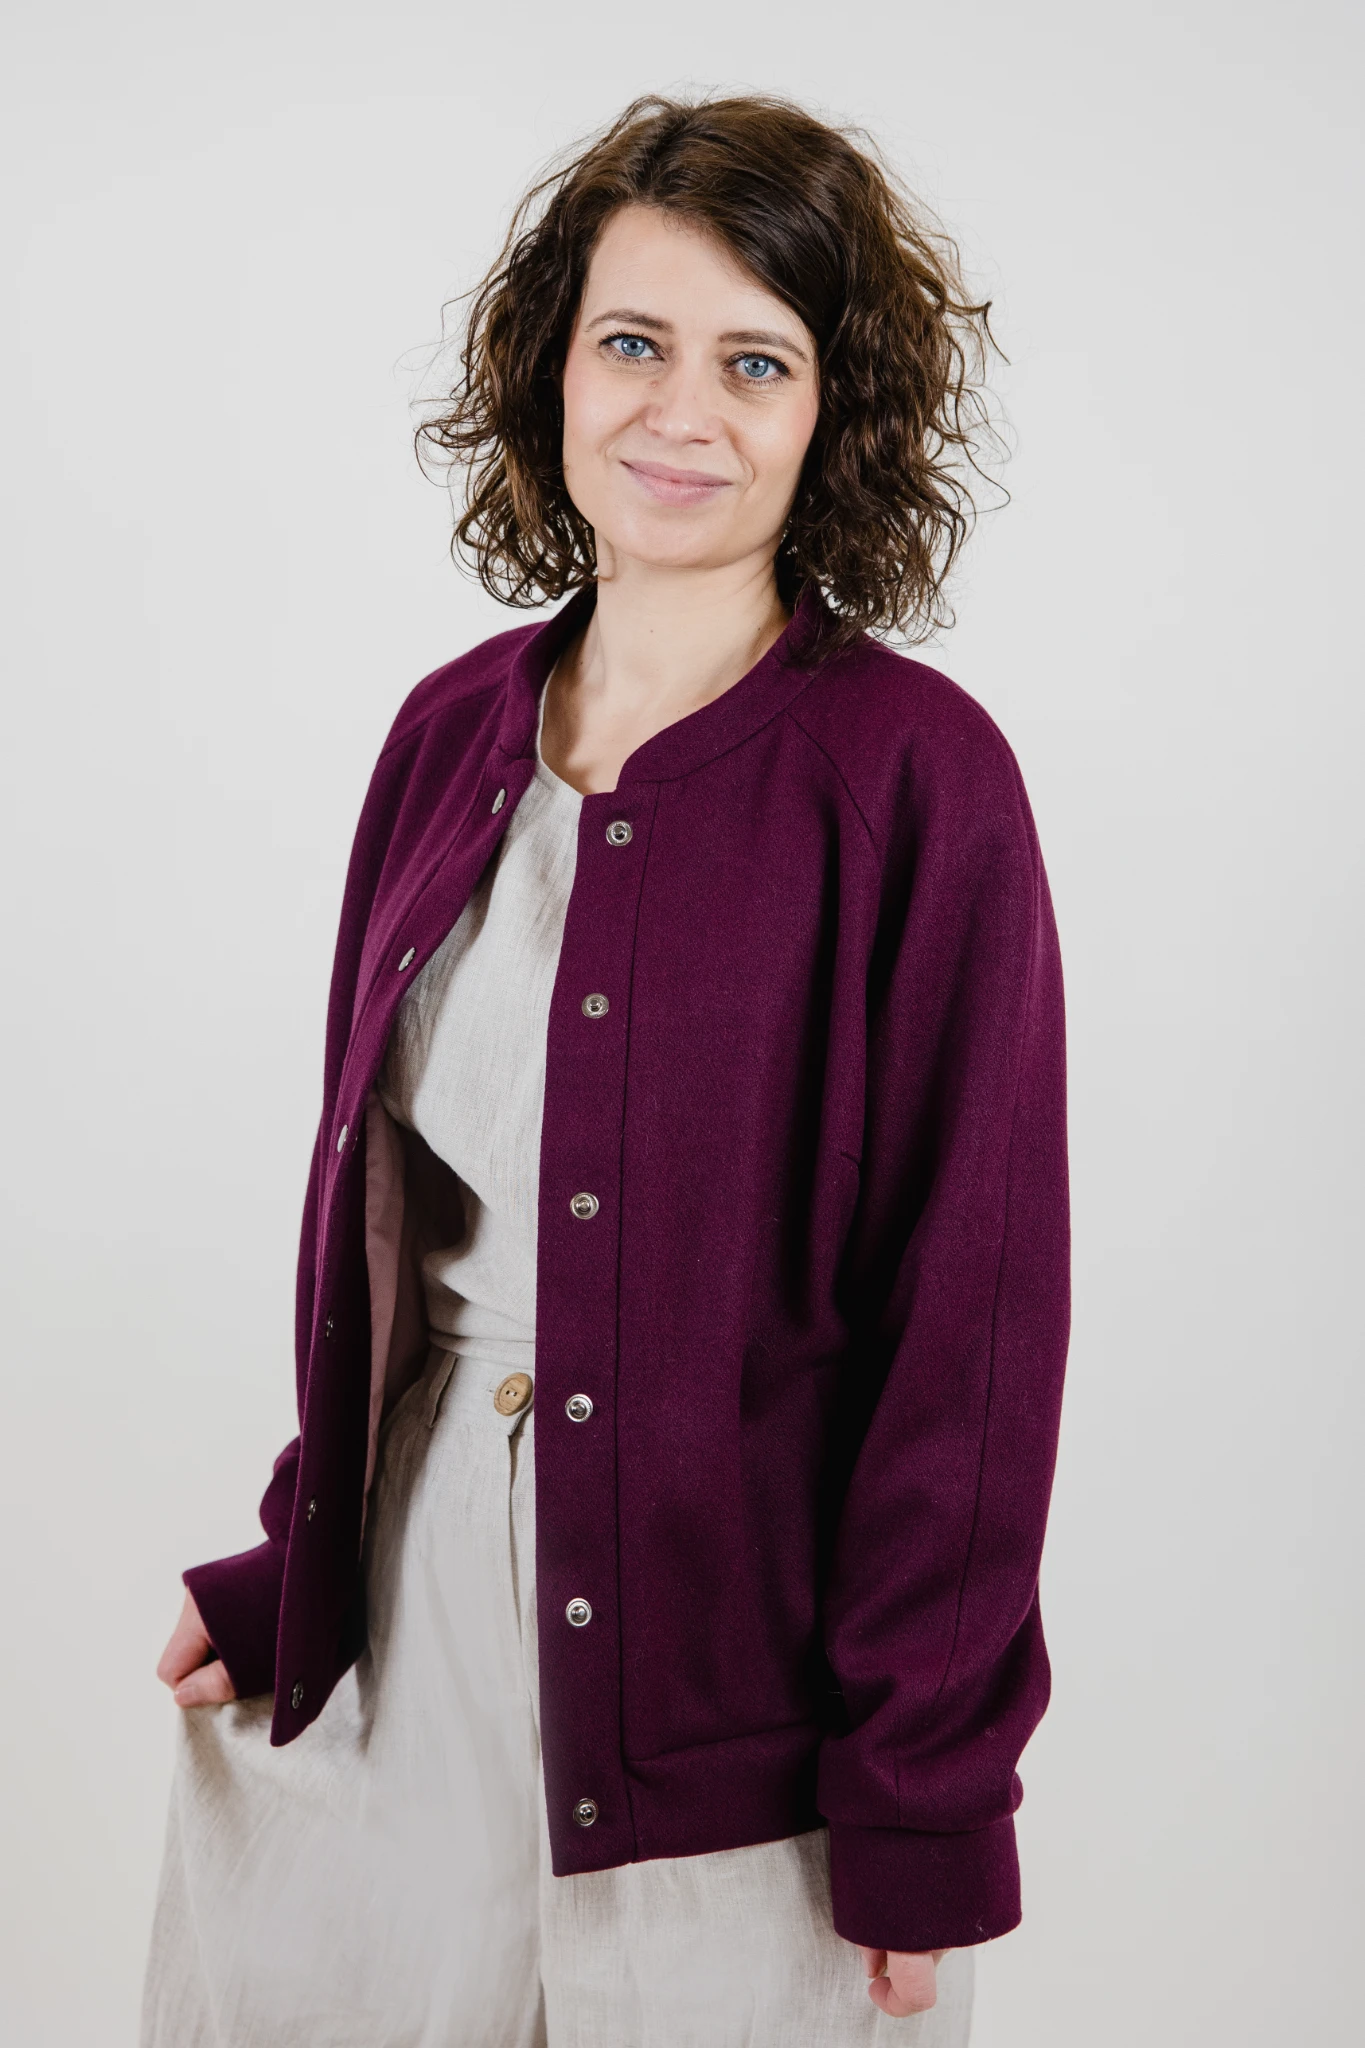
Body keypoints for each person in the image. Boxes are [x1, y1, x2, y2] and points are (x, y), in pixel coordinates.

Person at [142, 92, 1070, 2047]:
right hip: (402, 1653)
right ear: (553, 367)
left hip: (733, 1711)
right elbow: (378, 1247)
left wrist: (922, 1797)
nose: (680, 412)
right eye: (632, 341)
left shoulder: (918, 783)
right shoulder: (442, 738)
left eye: (756, 361)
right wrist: (294, 1561)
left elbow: (968, 1343)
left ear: (836, 410)